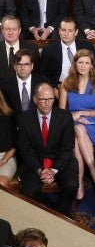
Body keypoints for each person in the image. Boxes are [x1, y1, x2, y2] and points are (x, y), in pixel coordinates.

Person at [17, 82, 78, 217]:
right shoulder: (24, 119)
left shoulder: (64, 116)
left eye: (50, 99)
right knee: (30, 191)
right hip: (34, 164)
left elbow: (67, 147)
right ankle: (57, 213)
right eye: (43, 99)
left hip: (60, 161)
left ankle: (57, 215)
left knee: (71, 185)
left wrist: (53, 170)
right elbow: (25, 150)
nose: (47, 103)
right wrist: (40, 170)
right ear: (35, 100)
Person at [59, 49, 95, 200]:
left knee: (78, 130)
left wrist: (83, 114)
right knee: (75, 137)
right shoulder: (66, 83)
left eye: (87, 63)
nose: (83, 66)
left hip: (93, 121)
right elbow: (61, 112)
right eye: (80, 62)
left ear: (92, 65)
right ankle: (91, 175)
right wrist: (74, 116)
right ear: (75, 64)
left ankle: (84, 179)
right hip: (72, 120)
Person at [38, 17, 95, 96]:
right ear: (59, 31)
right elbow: (43, 76)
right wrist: (53, 89)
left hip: (85, 85)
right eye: (63, 30)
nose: (66, 34)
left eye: (70, 31)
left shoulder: (87, 46)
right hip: (61, 86)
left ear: (76, 32)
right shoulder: (49, 49)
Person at [0, 50, 49, 115]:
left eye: (26, 64)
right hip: (14, 122)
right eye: (19, 64)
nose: (22, 68)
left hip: (37, 121)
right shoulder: (5, 85)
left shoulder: (43, 82)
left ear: (32, 66)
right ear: (14, 66)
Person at [0, 15, 40, 81]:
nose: (10, 33)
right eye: (7, 29)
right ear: (2, 30)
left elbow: (37, 74)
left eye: (14, 29)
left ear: (19, 30)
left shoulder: (32, 48)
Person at [0, 90, 15, 188]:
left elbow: (13, 147)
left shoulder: (8, 117)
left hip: (6, 157)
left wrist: (4, 160)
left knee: (1, 184)